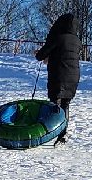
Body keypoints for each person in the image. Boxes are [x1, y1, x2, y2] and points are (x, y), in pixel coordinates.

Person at [33, 12, 82, 143]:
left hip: (59, 74)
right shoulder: (77, 41)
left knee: (55, 103)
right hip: (73, 76)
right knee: (66, 103)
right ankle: (63, 133)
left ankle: (53, 130)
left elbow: (41, 55)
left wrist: (40, 54)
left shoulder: (58, 37)